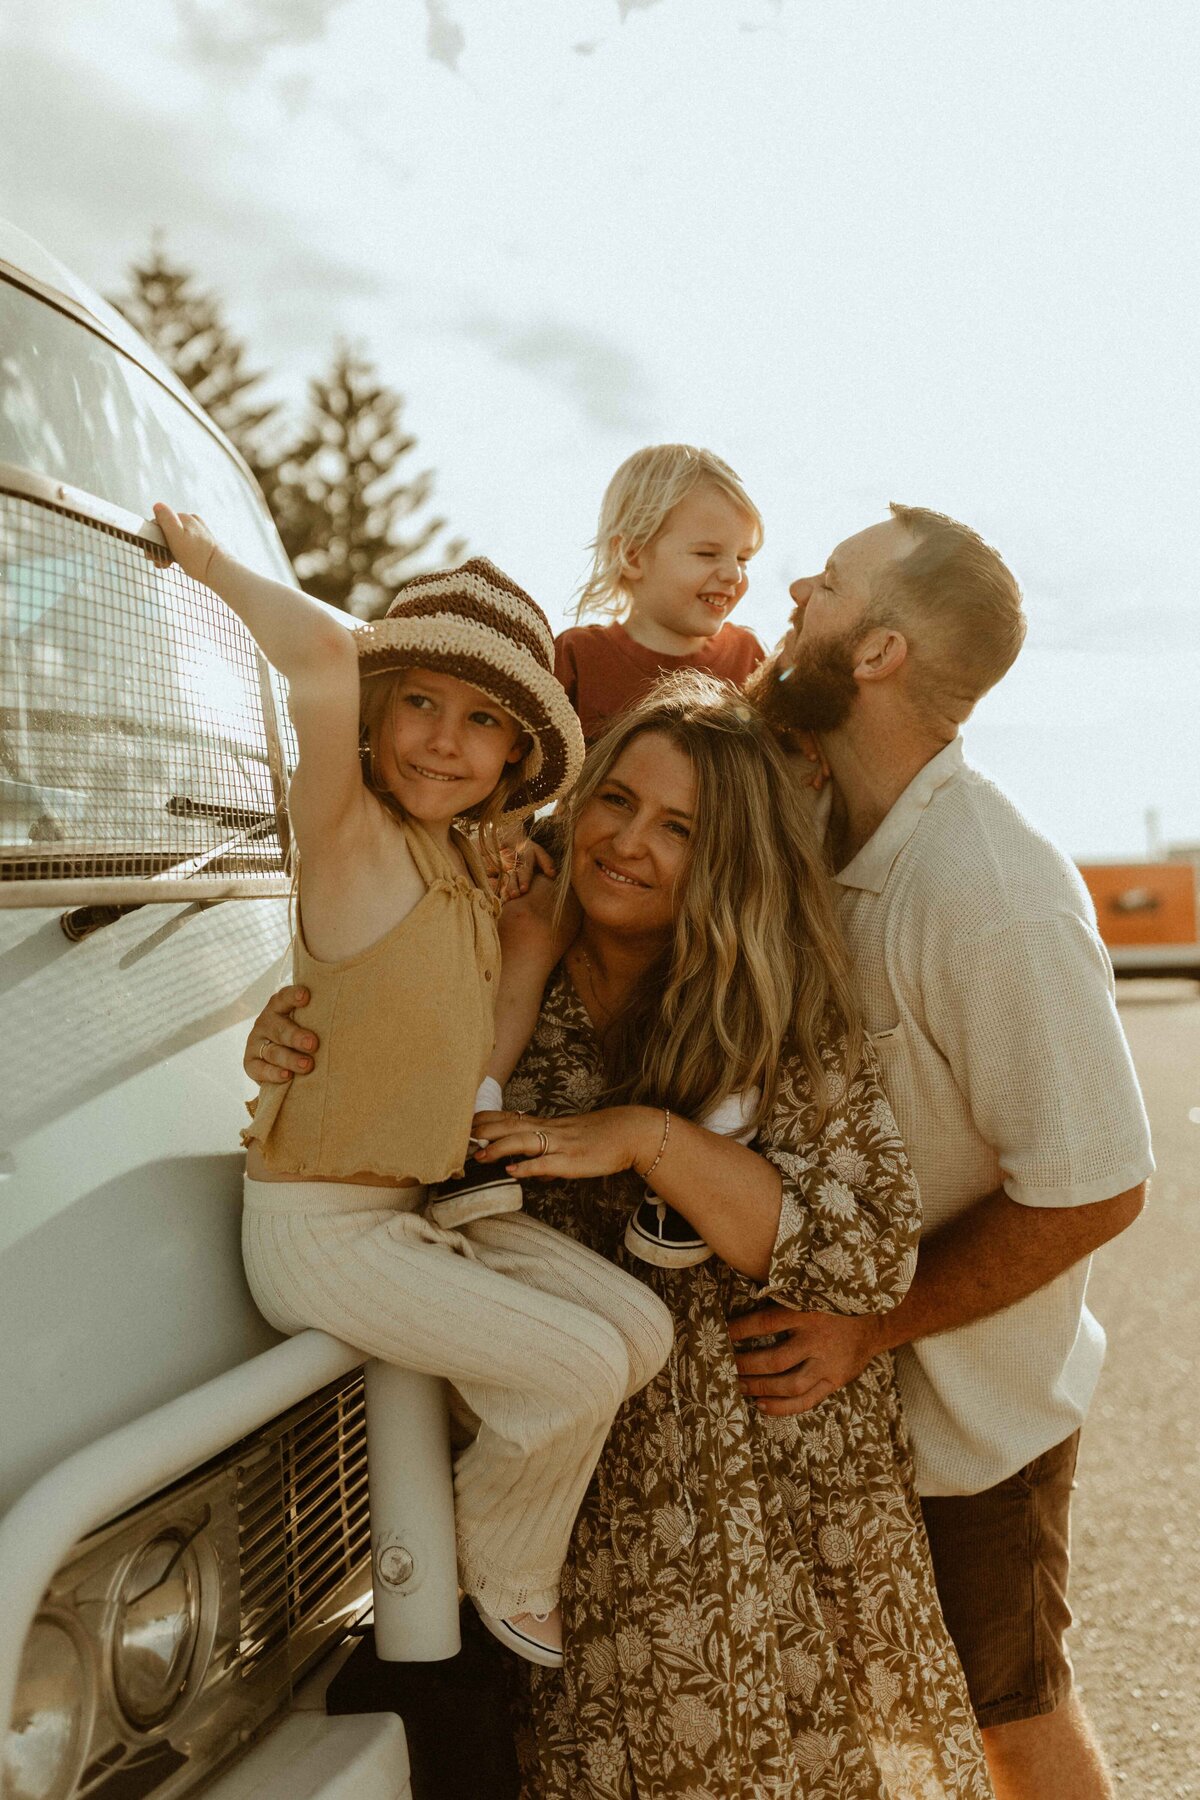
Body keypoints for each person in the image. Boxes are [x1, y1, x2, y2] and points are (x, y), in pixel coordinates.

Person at [247, 674, 995, 1799]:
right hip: (564, 1505)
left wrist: (646, 1140)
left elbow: (862, 1252)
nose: (628, 842)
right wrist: (287, 1046)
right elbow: (370, 1156)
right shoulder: (488, 956)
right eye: (616, 802)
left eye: (679, 828)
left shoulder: (779, 1005)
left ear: (729, 859)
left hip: (767, 1497)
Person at [152, 506, 674, 1668]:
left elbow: (471, 1043)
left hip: (408, 1213)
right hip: (322, 1232)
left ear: (514, 759)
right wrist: (211, 562)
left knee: (640, 1329)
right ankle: (494, 1555)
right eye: (422, 704)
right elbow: (326, 661)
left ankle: (471, 1473)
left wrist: (524, 938)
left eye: (484, 720)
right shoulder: (344, 837)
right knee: (581, 1369)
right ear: (378, 719)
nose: (446, 740)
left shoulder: (460, 867)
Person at [733, 504, 1153, 1800]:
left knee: (1010, 1719)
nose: (797, 587)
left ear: (882, 651)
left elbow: (1096, 1184)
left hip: (968, 1420)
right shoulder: (825, 829)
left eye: (834, 582)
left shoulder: (990, 891)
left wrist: (874, 1324)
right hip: (843, 1406)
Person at [553, 443, 766, 743]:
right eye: (707, 554)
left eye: (743, 558)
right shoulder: (577, 657)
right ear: (632, 556)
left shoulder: (747, 656)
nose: (734, 574)